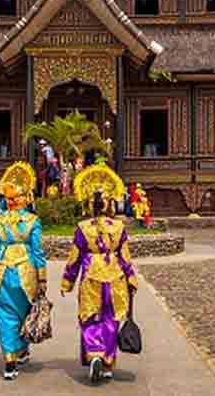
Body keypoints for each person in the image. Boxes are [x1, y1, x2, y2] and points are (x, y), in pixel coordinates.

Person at [62, 163, 137, 384]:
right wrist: (131, 278)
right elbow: (125, 256)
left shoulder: (83, 228)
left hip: (91, 276)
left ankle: (94, 352)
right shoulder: (119, 227)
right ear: (110, 203)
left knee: (90, 318)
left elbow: (75, 257)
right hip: (114, 276)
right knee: (111, 319)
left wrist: (67, 281)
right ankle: (107, 362)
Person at [0, 162, 47, 381]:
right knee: (23, 312)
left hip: (0, 270)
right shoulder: (32, 221)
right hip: (25, 271)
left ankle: (10, 360)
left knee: (4, 315)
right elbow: (38, 252)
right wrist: (42, 278)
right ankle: (20, 349)